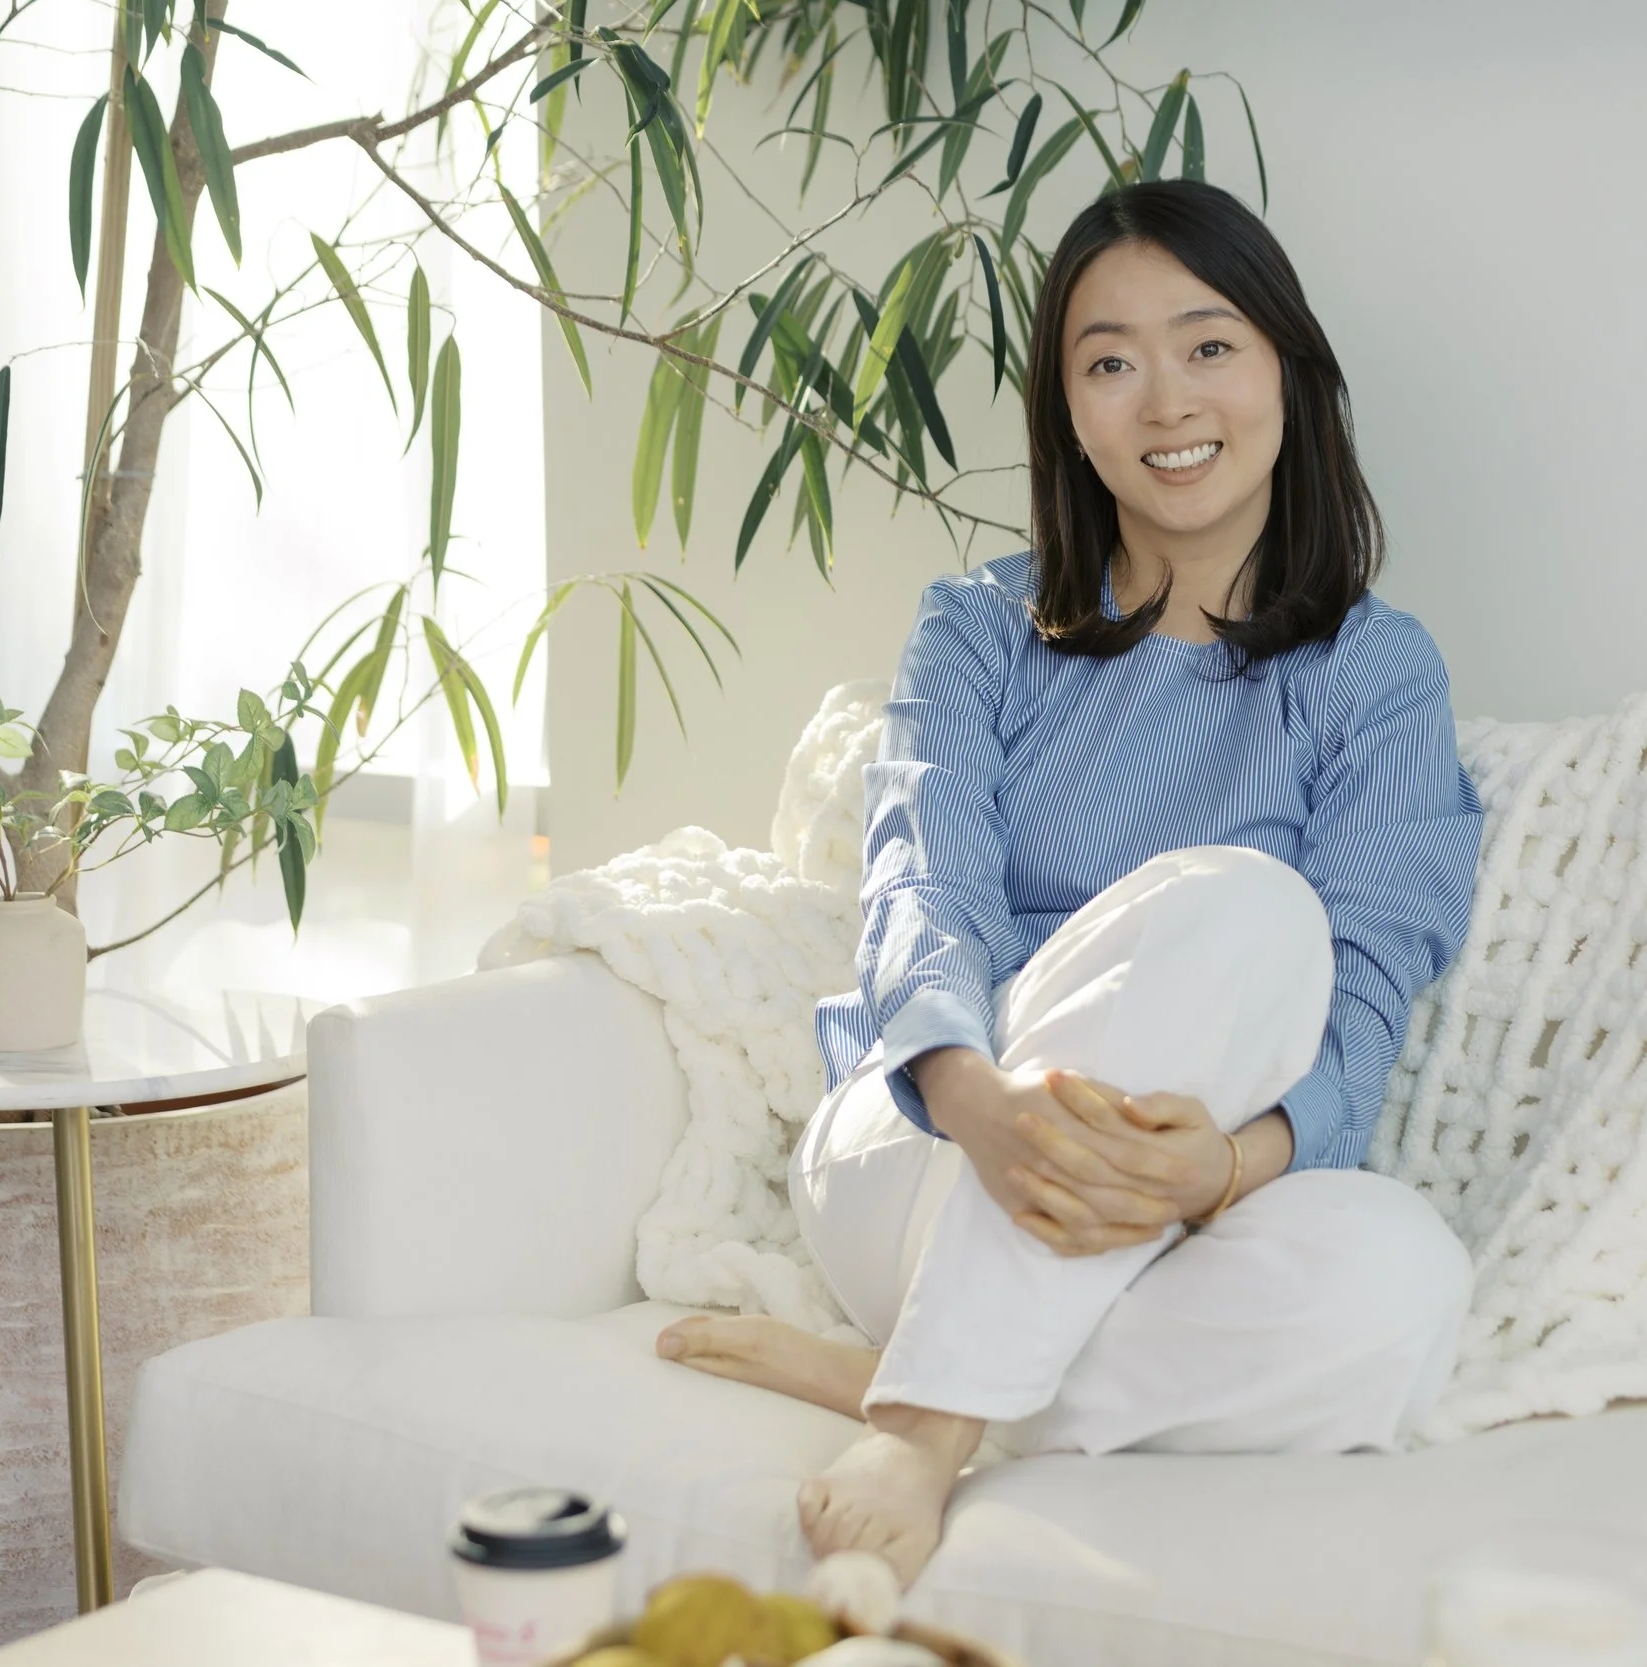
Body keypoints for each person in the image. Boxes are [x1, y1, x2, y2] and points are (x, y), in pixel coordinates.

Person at [655, 178, 1484, 1586]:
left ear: (1287, 366)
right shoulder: (978, 630)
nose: (1166, 401)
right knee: (1240, 898)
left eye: (1208, 344)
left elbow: (1370, 984)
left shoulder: (1374, 670)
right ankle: (923, 1426)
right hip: (932, 1145)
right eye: (1110, 361)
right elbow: (928, 895)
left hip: (1170, 1199)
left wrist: (1220, 1165)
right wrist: (988, 1111)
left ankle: (902, 1378)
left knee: (1406, 1281)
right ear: (1068, 411)